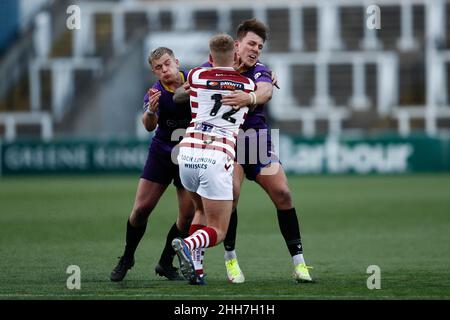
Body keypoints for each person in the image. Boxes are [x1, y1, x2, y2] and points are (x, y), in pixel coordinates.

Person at [195, 19, 313, 283]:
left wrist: (248, 97)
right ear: (237, 45)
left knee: (283, 193)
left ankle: (299, 263)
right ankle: (231, 259)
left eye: (259, 46)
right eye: (251, 43)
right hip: (227, 141)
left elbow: (265, 92)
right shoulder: (212, 67)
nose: (256, 49)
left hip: (255, 140)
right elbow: (188, 89)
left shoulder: (260, 70)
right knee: (232, 195)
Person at [171, 33, 256, 285]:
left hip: (186, 154)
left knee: (200, 210)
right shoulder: (248, 85)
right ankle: (188, 244)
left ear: (209, 57)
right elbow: (253, 101)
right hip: (216, 156)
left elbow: (182, 94)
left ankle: (196, 268)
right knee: (218, 231)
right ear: (236, 55)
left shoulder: (197, 75)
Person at [110, 47, 194, 282]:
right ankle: (127, 257)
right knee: (140, 210)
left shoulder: (195, 79)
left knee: (187, 215)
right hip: (162, 152)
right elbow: (148, 125)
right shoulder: (155, 93)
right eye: (158, 67)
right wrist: (150, 111)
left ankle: (165, 263)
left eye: (167, 63)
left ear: (177, 62)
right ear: (154, 72)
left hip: (189, 154)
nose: (164, 70)